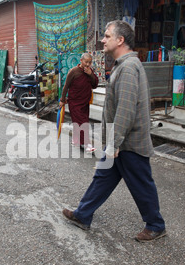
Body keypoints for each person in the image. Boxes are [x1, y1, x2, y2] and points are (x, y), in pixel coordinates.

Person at [62, 20, 166, 242]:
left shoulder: (128, 67)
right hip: (118, 142)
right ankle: (83, 215)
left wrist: (114, 144)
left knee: (141, 184)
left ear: (120, 40)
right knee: (102, 178)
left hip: (128, 144)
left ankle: (156, 225)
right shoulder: (123, 64)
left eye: (107, 36)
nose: (102, 40)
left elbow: (126, 110)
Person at [59, 53, 98, 153]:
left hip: (85, 102)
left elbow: (95, 85)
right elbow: (66, 86)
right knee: (82, 123)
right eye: (86, 62)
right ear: (81, 61)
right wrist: (62, 100)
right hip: (74, 102)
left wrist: (91, 75)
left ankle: (76, 140)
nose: (88, 64)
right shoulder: (73, 72)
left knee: (80, 122)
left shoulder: (90, 72)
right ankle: (87, 144)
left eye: (90, 62)